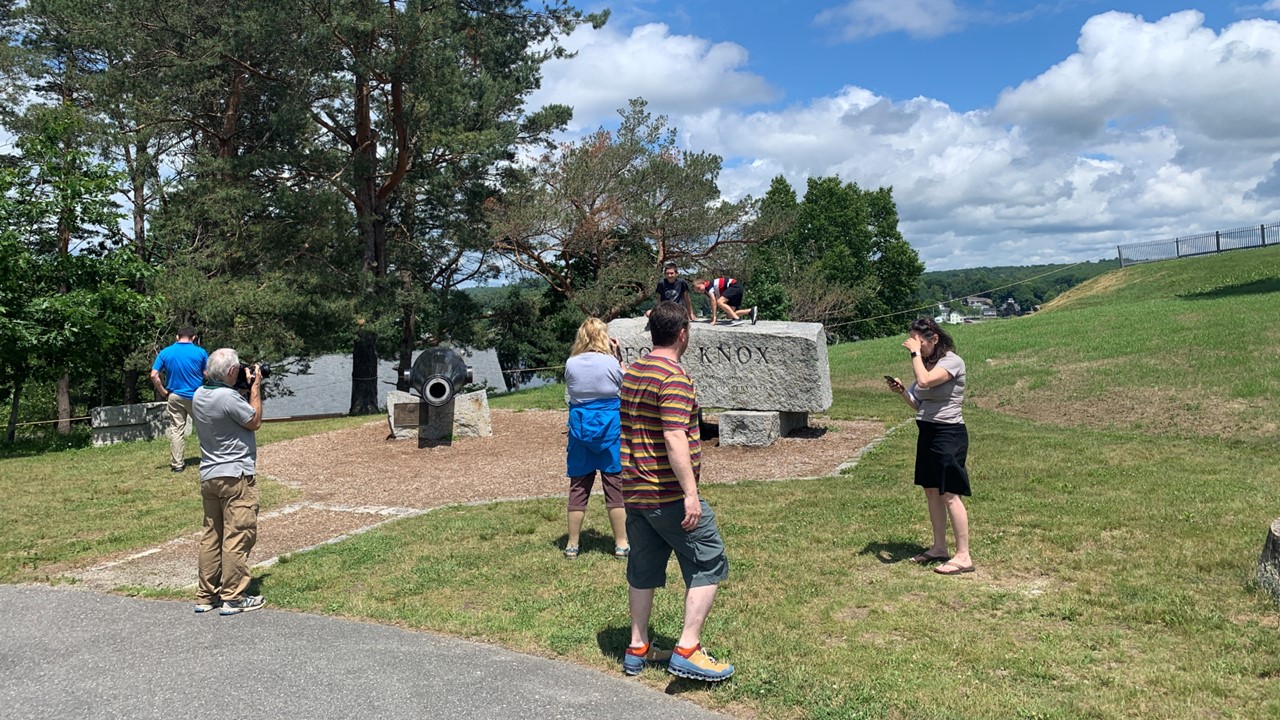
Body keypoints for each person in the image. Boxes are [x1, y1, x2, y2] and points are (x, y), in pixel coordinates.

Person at [618, 301, 734, 682]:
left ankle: (637, 647)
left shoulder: (634, 372)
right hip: (666, 493)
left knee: (643, 567)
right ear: (683, 333)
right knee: (709, 559)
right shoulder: (674, 377)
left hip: (635, 490)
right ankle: (687, 648)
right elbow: (673, 436)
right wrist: (690, 494)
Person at [884, 317, 975, 576]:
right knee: (932, 491)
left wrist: (914, 355)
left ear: (934, 338)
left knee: (950, 494)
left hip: (949, 434)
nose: (916, 347)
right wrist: (902, 391)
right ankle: (939, 548)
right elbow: (919, 402)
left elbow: (924, 382)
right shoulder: (926, 364)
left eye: (920, 342)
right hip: (927, 432)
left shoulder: (952, 362)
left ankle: (963, 556)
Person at [192, 348, 266, 615]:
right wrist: (255, 387)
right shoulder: (228, 397)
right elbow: (254, 420)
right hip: (236, 476)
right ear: (232, 371)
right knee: (237, 535)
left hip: (210, 474)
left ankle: (206, 596)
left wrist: (240, 388)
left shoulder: (199, 394)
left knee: (211, 536)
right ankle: (233, 597)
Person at [563, 318, 629, 559]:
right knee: (614, 485)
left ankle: (572, 544)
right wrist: (618, 356)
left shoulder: (571, 363)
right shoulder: (610, 362)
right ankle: (621, 542)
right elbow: (625, 382)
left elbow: (572, 388)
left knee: (578, 486)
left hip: (580, 428)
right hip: (610, 427)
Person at [150, 327, 208, 472]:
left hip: (174, 395)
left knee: (177, 430)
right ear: (193, 337)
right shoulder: (200, 352)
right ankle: (210, 458)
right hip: (195, 396)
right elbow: (207, 373)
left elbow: (153, 375)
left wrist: (163, 391)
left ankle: (177, 464)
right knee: (204, 428)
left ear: (177, 337)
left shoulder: (165, 352)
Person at [692, 277, 756, 326]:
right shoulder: (709, 288)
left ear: (703, 283)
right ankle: (750, 311)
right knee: (730, 315)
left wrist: (714, 318)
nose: (699, 291)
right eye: (697, 291)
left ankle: (737, 319)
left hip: (734, 286)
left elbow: (713, 301)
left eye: (699, 288)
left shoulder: (708, 286)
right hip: (737, 288)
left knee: (719, 302)